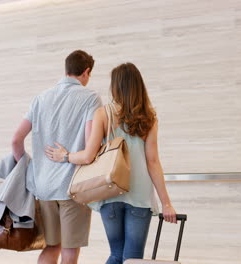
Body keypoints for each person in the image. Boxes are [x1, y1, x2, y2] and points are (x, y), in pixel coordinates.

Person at [45, 62, 177, 264]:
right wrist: (166, 203)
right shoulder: (148, 118)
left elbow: (88, 156)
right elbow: (153, 162)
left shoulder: (103, 114)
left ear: (115, 86)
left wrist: (65, 156)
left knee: (116, 254)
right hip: (139, 195)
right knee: (132, 258)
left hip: (110, 190)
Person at [11, 50, 102, 264]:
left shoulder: (41, 99)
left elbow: (16, 140)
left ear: (66, 69)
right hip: (73, 188)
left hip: (43, 188)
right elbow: (91, 148)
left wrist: (31, 169)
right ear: (86, 72)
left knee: (52, 247)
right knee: (70, 251)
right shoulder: (90, 98)